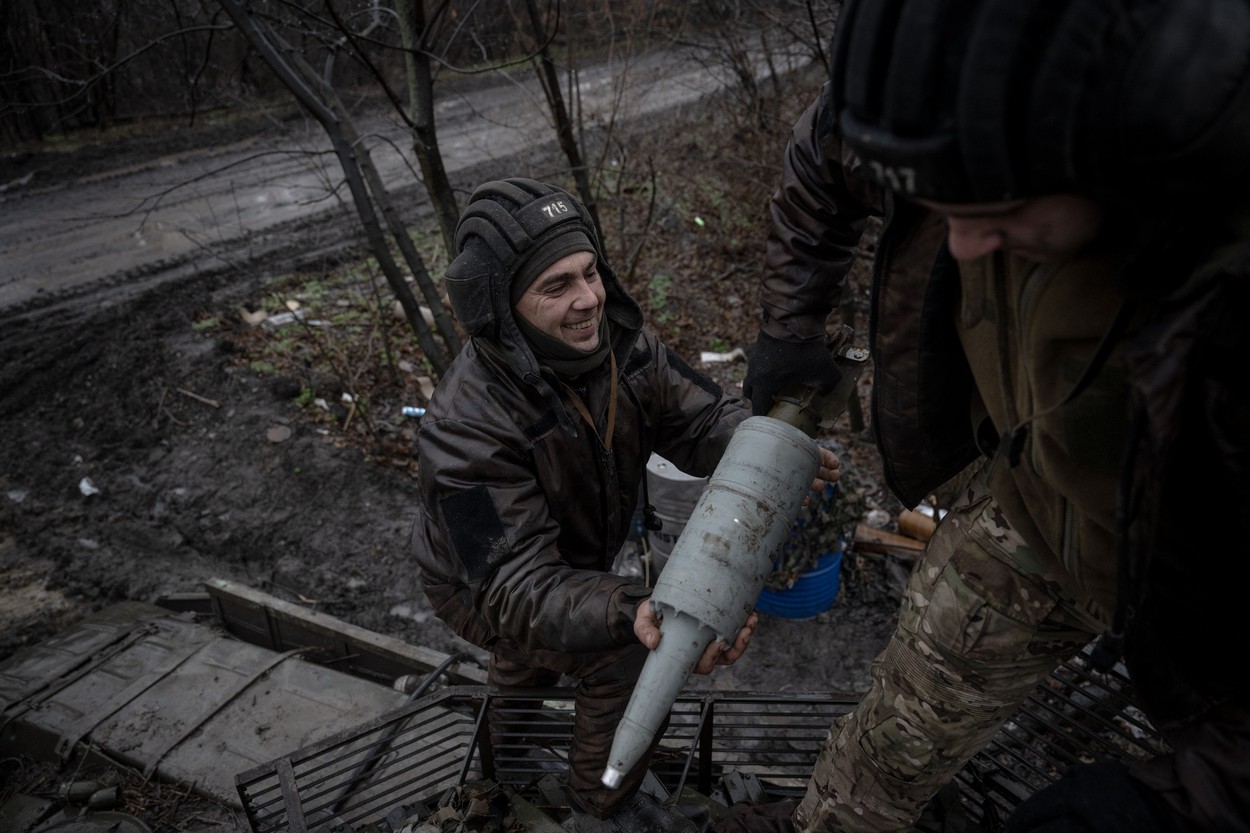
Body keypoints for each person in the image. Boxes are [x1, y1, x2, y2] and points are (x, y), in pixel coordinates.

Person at [732, 1, 1250, 831]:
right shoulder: (957, 103)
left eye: (993, 209)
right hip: (1024, 503)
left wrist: (1180, 804)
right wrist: (790, 324)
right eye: (940, 208)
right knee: (897, 731)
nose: (964, 245)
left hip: (1182, 590)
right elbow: (827, 152)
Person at [411, 177, 839, 833]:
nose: (588, 298)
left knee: (528, 663)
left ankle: (500, 766)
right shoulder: (462, 428)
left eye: (590, 272)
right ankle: (600, 808)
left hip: (568, 563)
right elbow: (512, 586)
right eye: (556, 285)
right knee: (625, 651)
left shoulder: (626, 349)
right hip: (480, 583)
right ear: (501, 307)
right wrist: (634, 609)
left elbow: (702, 420)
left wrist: (766, 450)